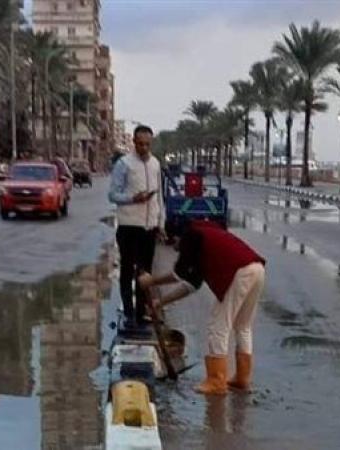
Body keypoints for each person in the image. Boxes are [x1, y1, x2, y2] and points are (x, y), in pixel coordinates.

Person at [138, 221, 265, 395]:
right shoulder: (203, 236)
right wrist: (161, 302)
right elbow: (191, 285)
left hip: (240, 273)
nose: (176, 250)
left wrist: (152, 281)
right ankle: (242, 379)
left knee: (218, 325)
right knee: (242, 326)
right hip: (256, 268)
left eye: (174, 245)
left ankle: (216, 380)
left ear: (176, 237)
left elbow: (179, 274)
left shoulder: (191, 237)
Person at [108, 125, 165, 328]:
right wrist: (133, 198)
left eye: (147, 144)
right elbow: (112, 194)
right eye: (140, 144)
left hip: (148, 228)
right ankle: (129, 313)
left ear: (151, 143)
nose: (143, 147)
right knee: (127, 270)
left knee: (145, 273)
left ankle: (141, 313)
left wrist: (160, 223)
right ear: (134, 142)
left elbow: (159, 197)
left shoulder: (156, 164)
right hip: (129, 226)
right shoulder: (124, 164)